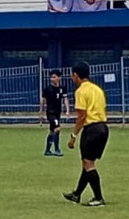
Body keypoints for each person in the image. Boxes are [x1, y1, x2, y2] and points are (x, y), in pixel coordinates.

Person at [63, 62, 109, 207]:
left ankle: (98, 198)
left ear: (76, 75)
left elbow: (81, 116)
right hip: (103, 128)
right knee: (87, 163)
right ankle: (77, 194)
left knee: (88, 164)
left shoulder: (81, 91)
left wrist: (74, 135)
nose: (72, 78)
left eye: (72, 75)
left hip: (92, 129)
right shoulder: (97, 89)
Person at [40, 69, 70, 156]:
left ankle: (47, 150)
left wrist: (67, 110)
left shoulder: (62, 89)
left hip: (58, 112)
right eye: (51, 77)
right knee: (57, 129)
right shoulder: (47, 89)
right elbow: (43, 101)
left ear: (59, 78)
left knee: (52, 131)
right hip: (50, 112)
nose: (52, 79)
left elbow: (65, 99)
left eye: (54, 77)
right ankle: (57, 149)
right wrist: (41, 112)